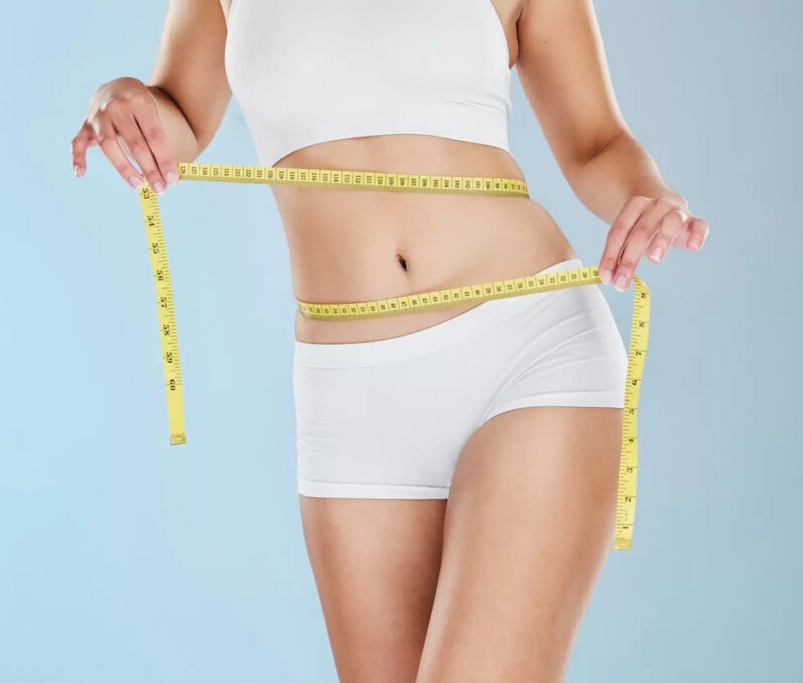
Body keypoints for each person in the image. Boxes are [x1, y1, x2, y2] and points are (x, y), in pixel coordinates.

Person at [70, 0, 709, 680]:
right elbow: (180, 113)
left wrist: (649, 194)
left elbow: (596, 143)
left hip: (523, 348)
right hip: (350, 391)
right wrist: (122, 102)